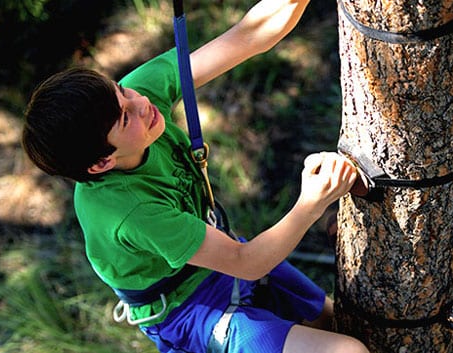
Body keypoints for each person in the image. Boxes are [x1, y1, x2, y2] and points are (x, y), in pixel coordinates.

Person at [21, 1, 368, 352]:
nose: (141, 103)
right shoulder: (129, 211)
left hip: (219, 254)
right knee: (347, 351)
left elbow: (251, 34)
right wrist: (312, 202)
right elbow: (246, 264)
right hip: (187, 309)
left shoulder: (134, 102)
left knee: (340, 322)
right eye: (126, 118)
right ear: (100, 164)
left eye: (122, 90)